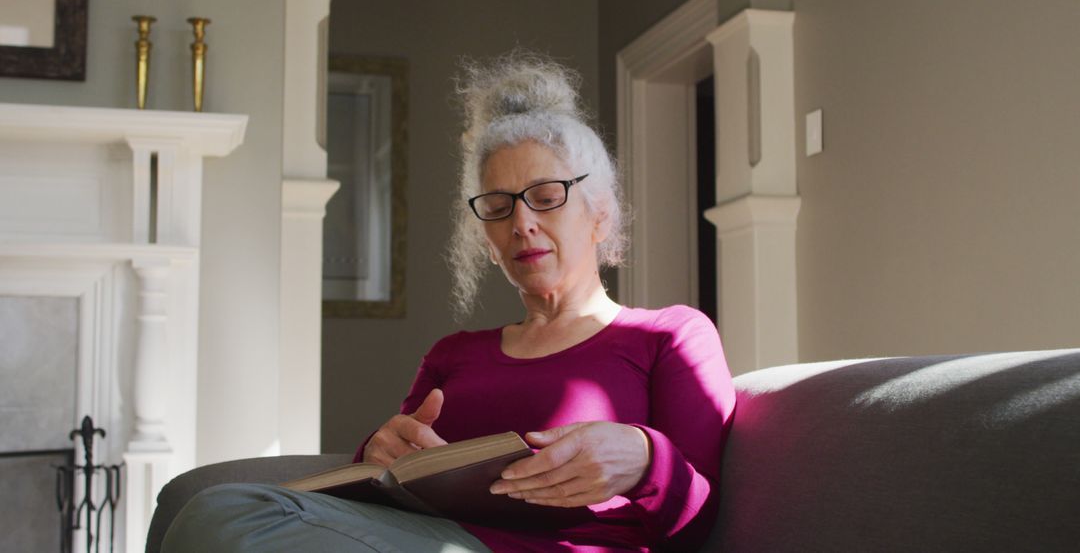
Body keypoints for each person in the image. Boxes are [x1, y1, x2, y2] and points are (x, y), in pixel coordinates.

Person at [162, 52, 735, 553]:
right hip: (424, 538)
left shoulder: (670, 335)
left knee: (224, 516)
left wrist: (643, 457)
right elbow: (386, 483)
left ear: (600, 213)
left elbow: (703, 525)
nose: (523, 223)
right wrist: (379, 451)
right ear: (484, 237)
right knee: (216, 510)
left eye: (545, 197)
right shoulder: (453, 354)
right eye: (500, 205)